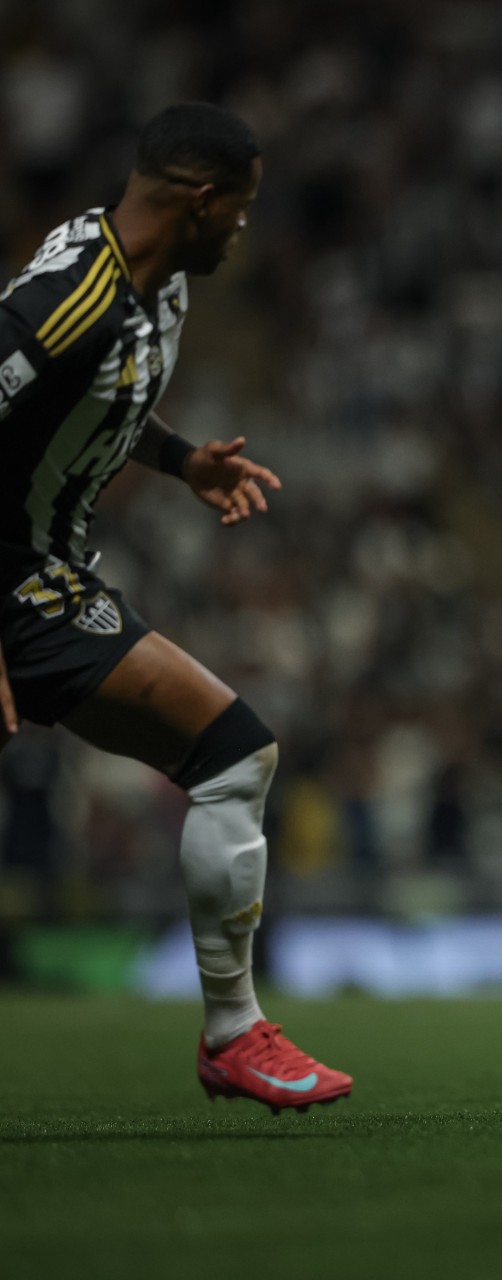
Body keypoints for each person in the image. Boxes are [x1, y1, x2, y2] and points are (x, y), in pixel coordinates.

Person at [0, 103, 351, 1113]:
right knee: (237, 753)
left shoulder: (156, 286)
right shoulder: (65, 302)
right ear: (201, 201)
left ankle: (233, 1034)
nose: (245, 229)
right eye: (239, 209)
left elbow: (93, 399)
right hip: (15, 583)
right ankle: (233, 1032)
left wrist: (180, 458)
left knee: (235, 750)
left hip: (48, 577)